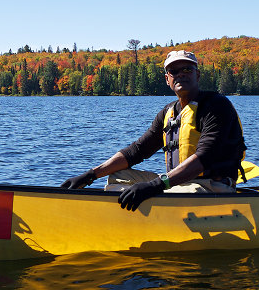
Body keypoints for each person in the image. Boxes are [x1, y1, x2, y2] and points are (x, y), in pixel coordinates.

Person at [60, 50, 247, 210]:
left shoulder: (216, 106)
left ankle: (145, 216)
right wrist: (91, 174)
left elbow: (204, 158)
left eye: (187, 69)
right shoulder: (168, 113)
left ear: (197, 75)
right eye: (174, 71)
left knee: (176, 191)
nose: (181, 74)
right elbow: (136, 151)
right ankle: (126, 213)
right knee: (119, 176)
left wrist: (155, 185)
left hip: (211, 187)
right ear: (168, 79)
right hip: (177, 185)